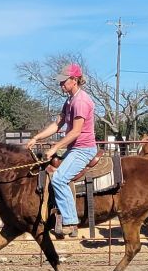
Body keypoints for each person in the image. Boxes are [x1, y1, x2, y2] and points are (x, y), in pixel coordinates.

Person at [26, 63, 97, 236]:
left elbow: (76, 131)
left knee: (58, 179)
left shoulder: (81, 101)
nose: (60, 84)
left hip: (83, 149)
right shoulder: (69, 100)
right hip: (74, 149)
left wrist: (55, 147)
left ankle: (70, 221)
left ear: (74, 80)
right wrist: (36, 138)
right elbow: (58, 124)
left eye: (63, 81)